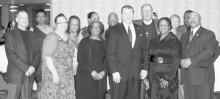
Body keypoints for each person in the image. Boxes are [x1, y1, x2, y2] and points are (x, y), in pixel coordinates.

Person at [107, 5, 148, 99]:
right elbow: (110, 53)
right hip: (120, 73)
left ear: (133, 15)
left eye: (130, 13)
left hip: (136, 73)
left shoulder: (141, 29)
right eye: (125, 13)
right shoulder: (114, 30)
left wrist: (145, 68)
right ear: (121, 15)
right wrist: (114, 71)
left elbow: (145, 51)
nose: (128, 15)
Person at [180, 11, 218, 99]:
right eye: (190, 17)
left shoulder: (208, 34)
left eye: (195, 17)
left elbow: (209, 52)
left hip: (202, 78)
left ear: (200, 20)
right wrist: (180, 62)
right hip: (187, 78)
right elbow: (182, 54)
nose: (192, 19)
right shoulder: (184, 36)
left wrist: (191, 61)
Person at [5, 10, 40, 99]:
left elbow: (37, 53)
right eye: (22, 18)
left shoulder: (32, 35)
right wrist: (26, 68)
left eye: (26, 18)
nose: (25, 20)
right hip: (15, 75)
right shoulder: (10, 34)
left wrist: (33, 67)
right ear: (17, 19)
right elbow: (11, 55)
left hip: (29, 75)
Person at [39, 13, 75, 99]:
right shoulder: (51, 37)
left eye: (65, 22)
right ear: (55, 24)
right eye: (60, 23)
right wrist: (55, 74)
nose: (63, 25)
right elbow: (47, 57)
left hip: (67, 76)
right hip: (55, 75)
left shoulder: (68, 37)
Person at [146, 17, 180, 99]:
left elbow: (175, 60)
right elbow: (150, 57)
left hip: (165, 78)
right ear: (158, 26)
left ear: (169, 27)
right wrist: (147, 77)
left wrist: (168, 78)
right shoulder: (153, 41)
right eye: (161, 25)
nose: (163, 27)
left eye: (165, 25)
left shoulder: (174, 41)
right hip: (153, 77)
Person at [76, 21, 106, 99]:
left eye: (98, 27)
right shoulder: (83, 42)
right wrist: (91, 71)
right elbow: (80, 59)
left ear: (101, 29)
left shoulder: (105, 43)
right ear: (90, 29)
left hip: (100, 77)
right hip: (85, 76)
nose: (96, 29)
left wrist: (104, 71)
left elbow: (107, 60)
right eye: (93, 27)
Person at [32, 9, 53, 92]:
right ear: (36, 18)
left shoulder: (51, 30)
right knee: (40, 85)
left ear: (45, 18)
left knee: (50, 85)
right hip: (38, 61)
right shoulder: (32, 30)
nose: (40, 18)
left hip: (50, 59)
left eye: (42, 16)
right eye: (38, 16)